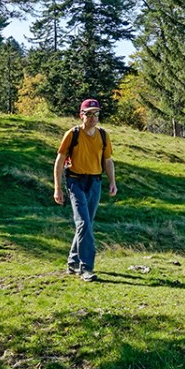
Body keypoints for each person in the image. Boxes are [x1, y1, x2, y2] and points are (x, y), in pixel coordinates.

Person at [53, 98, 116, 281]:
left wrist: (112, 182)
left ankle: (72, 263)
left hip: (95, 182)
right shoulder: (72, 134)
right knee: (83, 224)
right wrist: (57, 188)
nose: (93, 117)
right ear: (81, 115)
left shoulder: (103, 135)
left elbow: (108, 161)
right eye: (89, 113)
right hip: (75, 182)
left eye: (96, 113)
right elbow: (59, 160)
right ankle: (86, 268)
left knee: (86, 224)